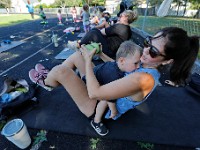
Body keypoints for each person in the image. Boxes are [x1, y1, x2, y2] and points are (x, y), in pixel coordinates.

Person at [28, 27, 199, 136]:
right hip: (104, 90)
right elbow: (120, 66)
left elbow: (95, 93)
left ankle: (48, 82)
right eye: (148, 42)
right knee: (75, 56)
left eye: (153, 51)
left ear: (167, 61)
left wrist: (88, 61)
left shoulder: (144, 79)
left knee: (61, 70)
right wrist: (101, 54)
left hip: (98, 107)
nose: (146, 51)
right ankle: (51, 81)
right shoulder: (145, 64)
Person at [87, 41, 142, 136]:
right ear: (122, 61)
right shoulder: (113, 75)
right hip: (90, 86)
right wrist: (114, 110)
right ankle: (96, 121)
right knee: (104, 101)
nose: (138, 67)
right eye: (136, 63)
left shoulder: (118, 65)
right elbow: (110, 97)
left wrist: (101, 53)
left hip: (98, 79)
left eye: (139, 63)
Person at [69, 9, 138, 59]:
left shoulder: (121, 27)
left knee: (94, 32)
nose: (119, 17)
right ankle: (80, 45)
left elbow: (102, 32)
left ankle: (78, 45)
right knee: (94, 32)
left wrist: (115, 24)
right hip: (112, 50)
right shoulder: (127, 28)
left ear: (126, 18)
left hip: (109, 50)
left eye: (121, 16)